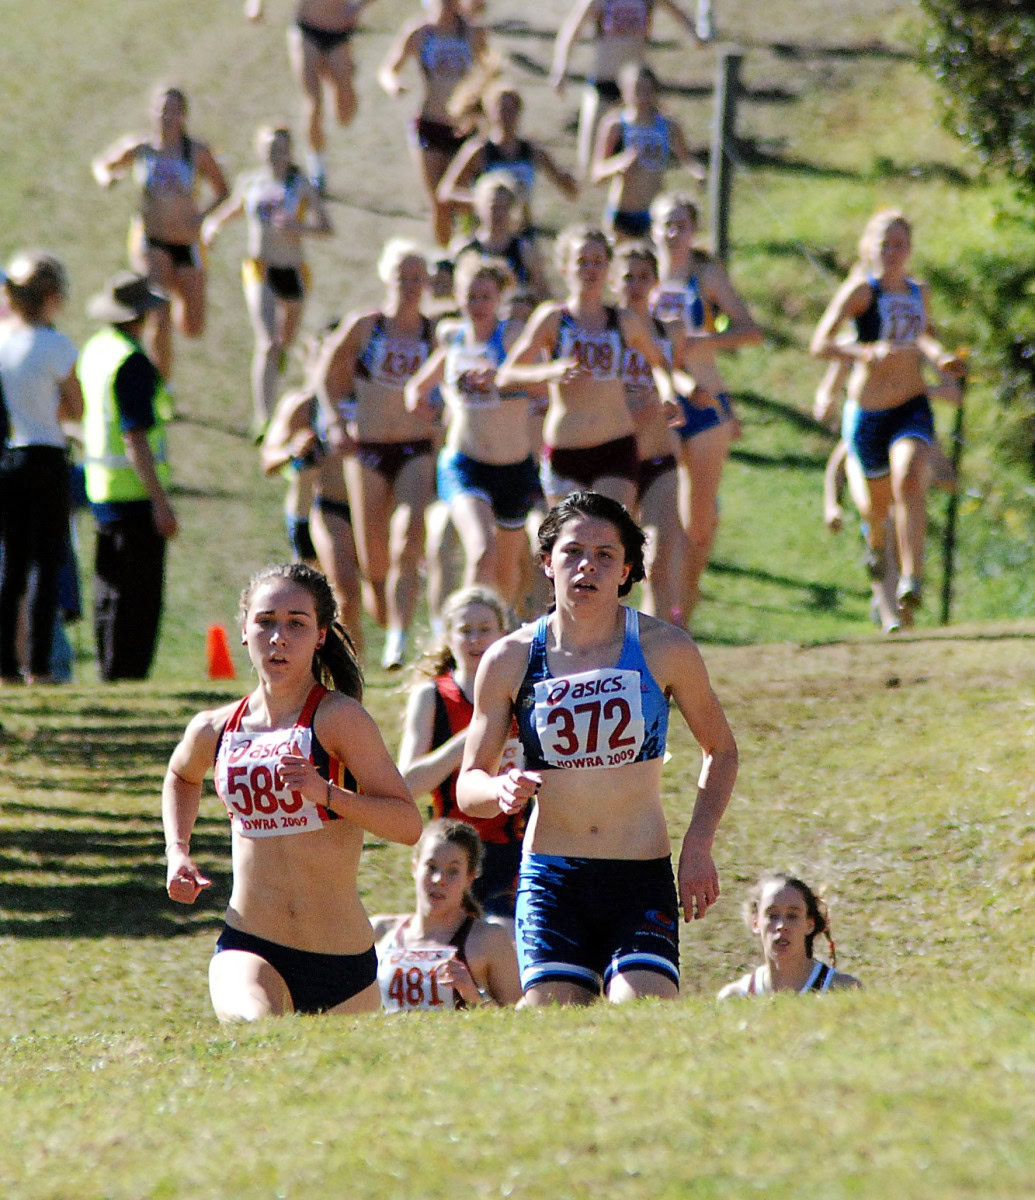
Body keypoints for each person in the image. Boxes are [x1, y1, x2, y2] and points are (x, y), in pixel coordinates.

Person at [457, 491, 738, 1006]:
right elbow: (468, 785)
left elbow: (720, 750)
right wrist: (498, 788)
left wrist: (699, 845)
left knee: (644, 1015)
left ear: (627, 568)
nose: (587, 565)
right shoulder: (509, 659)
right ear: (546, 562)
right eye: (572, 552)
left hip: (639, 873)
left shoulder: (664, 648)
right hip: (551, 875)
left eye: (605, 555)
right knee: (553, 1026)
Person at [163, 562, 422, 1020]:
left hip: (341, 961)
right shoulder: (214, 727)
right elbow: (182, 775)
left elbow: (407, 825)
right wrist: (177, 851)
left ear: (320, 635)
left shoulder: (340, 719)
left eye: (296, 624)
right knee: (257, 1031)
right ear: (244, 630)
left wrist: (327, 794)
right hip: (250, 942)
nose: (278, 637)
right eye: (265, 622)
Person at [810, 209, 964, 627]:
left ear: (909, 249)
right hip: (870, 415)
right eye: (885, 244)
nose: (892, 252)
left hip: (912, 404)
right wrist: (863, 352)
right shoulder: (862, 292)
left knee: (911, 477)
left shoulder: (919, 291)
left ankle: (912, 579)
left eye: (900, 244)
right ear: (869, 248)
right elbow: (819, 343)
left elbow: (924, 336)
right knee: (876, 510)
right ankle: (877, 546)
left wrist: (941, 359)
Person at [318, 239, 437, 669]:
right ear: (388, 277)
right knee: (374, 560)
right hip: (367, 450)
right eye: (403, 277)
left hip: (415, 448)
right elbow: (325, 372)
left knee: (409, 540)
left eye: (417, 278)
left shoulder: (434, 331)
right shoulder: (366, 327)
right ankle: (385, 616)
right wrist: (333, 419)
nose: (410, 285)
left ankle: (399, 638)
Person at [497, 225, 677, 511]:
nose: (590, 270)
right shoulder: (552, 318)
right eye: (582, 262)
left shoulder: (624, 320)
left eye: (598, 262)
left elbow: (658, 363)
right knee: (571, 542)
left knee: (610, 534)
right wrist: (548, 371)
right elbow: (505, 376)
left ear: (608, 269)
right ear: (565, 267)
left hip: (615, 446)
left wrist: (668, 393)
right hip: (565, 452)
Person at [650, 192, 762, 623]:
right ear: (654, 230)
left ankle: (684, 609)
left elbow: (750, 330)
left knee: (697, 525)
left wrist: (705, 341)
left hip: (705, 399)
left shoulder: (706, 276)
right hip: (657, 406)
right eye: (667, 224)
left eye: (682, 224)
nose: (674, 233)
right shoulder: (641, 278)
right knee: (663, 519)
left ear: (694, 230)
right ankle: (655, 612)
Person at [406, 256, 538, 605]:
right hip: (464, 463)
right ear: (458, 296)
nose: (477, 305)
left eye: (485, 297)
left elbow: (541, 386)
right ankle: (459, 637)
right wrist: (421, 401)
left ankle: (496, 638)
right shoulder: (453, 336)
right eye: (470, 296)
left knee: (507, 571)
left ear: (498, 299)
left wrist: (503, 381)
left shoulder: (512, 337)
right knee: (482, 552)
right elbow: (419, 386)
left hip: (513, 467)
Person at [398, 586, 528, 919]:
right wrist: (472, 739)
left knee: (504, 937)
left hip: (516, 848)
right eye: (465, 630)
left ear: (503, 634)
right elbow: (407, 784)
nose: (475, 639)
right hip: (451, 849)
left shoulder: (522, 694)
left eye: (485, 630)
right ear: (448, 638)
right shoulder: (432, 696)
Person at [77, 271, 178, 681]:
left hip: (101, 488)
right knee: (138, 595)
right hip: (134, 494)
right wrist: (160, 500)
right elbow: (135, 436)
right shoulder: (132, 361)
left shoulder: (98, 349)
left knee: (109, 588)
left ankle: (109, 668)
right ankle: (126, 671)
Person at [202, 124, 332, 434]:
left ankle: (280, 359)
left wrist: (298, 228)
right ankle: (265, 419)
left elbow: (326, 227)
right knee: (267, 341)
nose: (276, 154)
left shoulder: (300, 185)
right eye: (270, 148)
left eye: (282, 148)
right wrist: (212, 227)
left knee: (283, 341)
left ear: (291, 151)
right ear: (260, 151)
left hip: (294, 271)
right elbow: (233, 210)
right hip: (259, 268)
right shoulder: (251, 183)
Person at [92, 86, 229, 380]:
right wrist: (107, 178)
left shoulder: (196, 152)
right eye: (161, 109)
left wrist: (203, 217)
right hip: (150, 241)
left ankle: (177, 292)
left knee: (193, 326)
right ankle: (162, 386)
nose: (166, 116)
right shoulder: (141, 148)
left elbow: (223, 190)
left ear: (183, 116)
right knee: (159, 315)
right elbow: (103, 164)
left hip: (187, 244)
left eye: (173, 110)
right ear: (152, 113)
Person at [0, 253, 83, 684]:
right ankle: (38, 664)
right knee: (46, 562)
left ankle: (5, 666)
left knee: (10, 567)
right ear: (51, 297)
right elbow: (75, 406)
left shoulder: (2, 340)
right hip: (48, 454)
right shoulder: (57, 345)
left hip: (10, 456)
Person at [261, 326, 363, 652]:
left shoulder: (368, 398)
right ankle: (344, 673)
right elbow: (267, 460)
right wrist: (292, 450)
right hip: (318, 507)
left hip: (368, 507)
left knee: (367, 597)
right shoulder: (302, 405)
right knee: (335, 594)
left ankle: (356, 670)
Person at [371, 819, 523, 1010]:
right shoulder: (379, 933)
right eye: (431, 867)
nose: (439, 880)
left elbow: (517, 1021)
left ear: (469, 878)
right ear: (415, 868)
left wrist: (474, 995)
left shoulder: (489, 940)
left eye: (453, 871)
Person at [612, 242, 685, 623]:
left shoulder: (668, 331)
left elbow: (680, 375)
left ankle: (657, 650)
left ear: (656, 281)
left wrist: (687, 393)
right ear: (613, 280)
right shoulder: (604, 333)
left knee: (658, 559)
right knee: (612, 569)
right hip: (613, 461)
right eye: (628, 276)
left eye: (644, 277)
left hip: (660, 459)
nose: (636, 285)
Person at [550, 0, 705, 178]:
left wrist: (694, 33)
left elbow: (675, 11)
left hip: (637, 91)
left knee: (639, 163)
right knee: (589, 162)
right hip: (604, 85)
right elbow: (572, 29)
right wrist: (560, 68)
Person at [378, 0, 488, 246]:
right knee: (438, 201)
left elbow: (487, 71)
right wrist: (394, 84)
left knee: (462, 200)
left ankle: (467, 247)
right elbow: (388, 68)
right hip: (430, 124)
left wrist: (482, 106)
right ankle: (446, 254)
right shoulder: (420, 33)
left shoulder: (473, 32)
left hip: (465, 129)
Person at [245, 1, 376, 193]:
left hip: (339, 32)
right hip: (307, 29)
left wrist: (358, 6)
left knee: (345, 114)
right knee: (313, 102)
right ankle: (317, 169)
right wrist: (255, 6)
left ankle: (335, 78)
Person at [437, 80, 579, 235]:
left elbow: (569, 191)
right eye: (502, 109)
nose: (507, 116)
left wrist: (570, 180)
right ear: (490, 113)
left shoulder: (532, 151)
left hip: (522, 233)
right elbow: (445, 192)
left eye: (512, 110)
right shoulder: (479, 150)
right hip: (485, 232)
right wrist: (483, 201)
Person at [591, 63, 704, 241]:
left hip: (654, 211)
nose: (642, 96)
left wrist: (698, 174)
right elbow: (597, 174)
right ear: (624, 90)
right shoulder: (615, 125)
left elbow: (687, 160)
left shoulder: (668, 125)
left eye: (647, 90)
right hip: (621, 212)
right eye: (636, 90)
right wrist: (619, 164)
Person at [718, 872, 861, 998]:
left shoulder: (843, 990)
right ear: (755, 923)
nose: (781, 926)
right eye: (772, 915)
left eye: (792, 916)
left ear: (809, 925)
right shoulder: (735, 998)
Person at [450, 173, 550, 303]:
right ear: (479, 208)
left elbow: (541, 292)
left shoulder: (524, 250)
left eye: (504, 208)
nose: (498, 214)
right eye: (493, 207)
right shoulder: (463, 248)